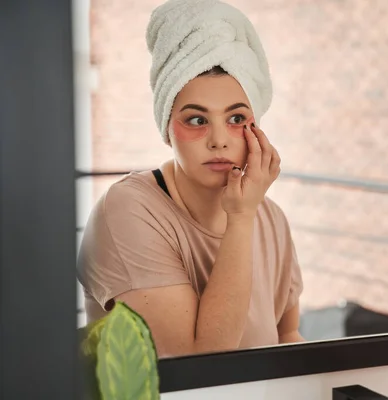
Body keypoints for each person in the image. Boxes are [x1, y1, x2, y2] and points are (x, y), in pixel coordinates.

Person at [77, 0, 304, 358]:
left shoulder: (271, 218)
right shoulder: (126, 211)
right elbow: (200, 365)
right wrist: (241, 220)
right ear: (167, 128)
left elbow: (289, 339)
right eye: (197, 120)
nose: (219, 140)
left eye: (236, 118)